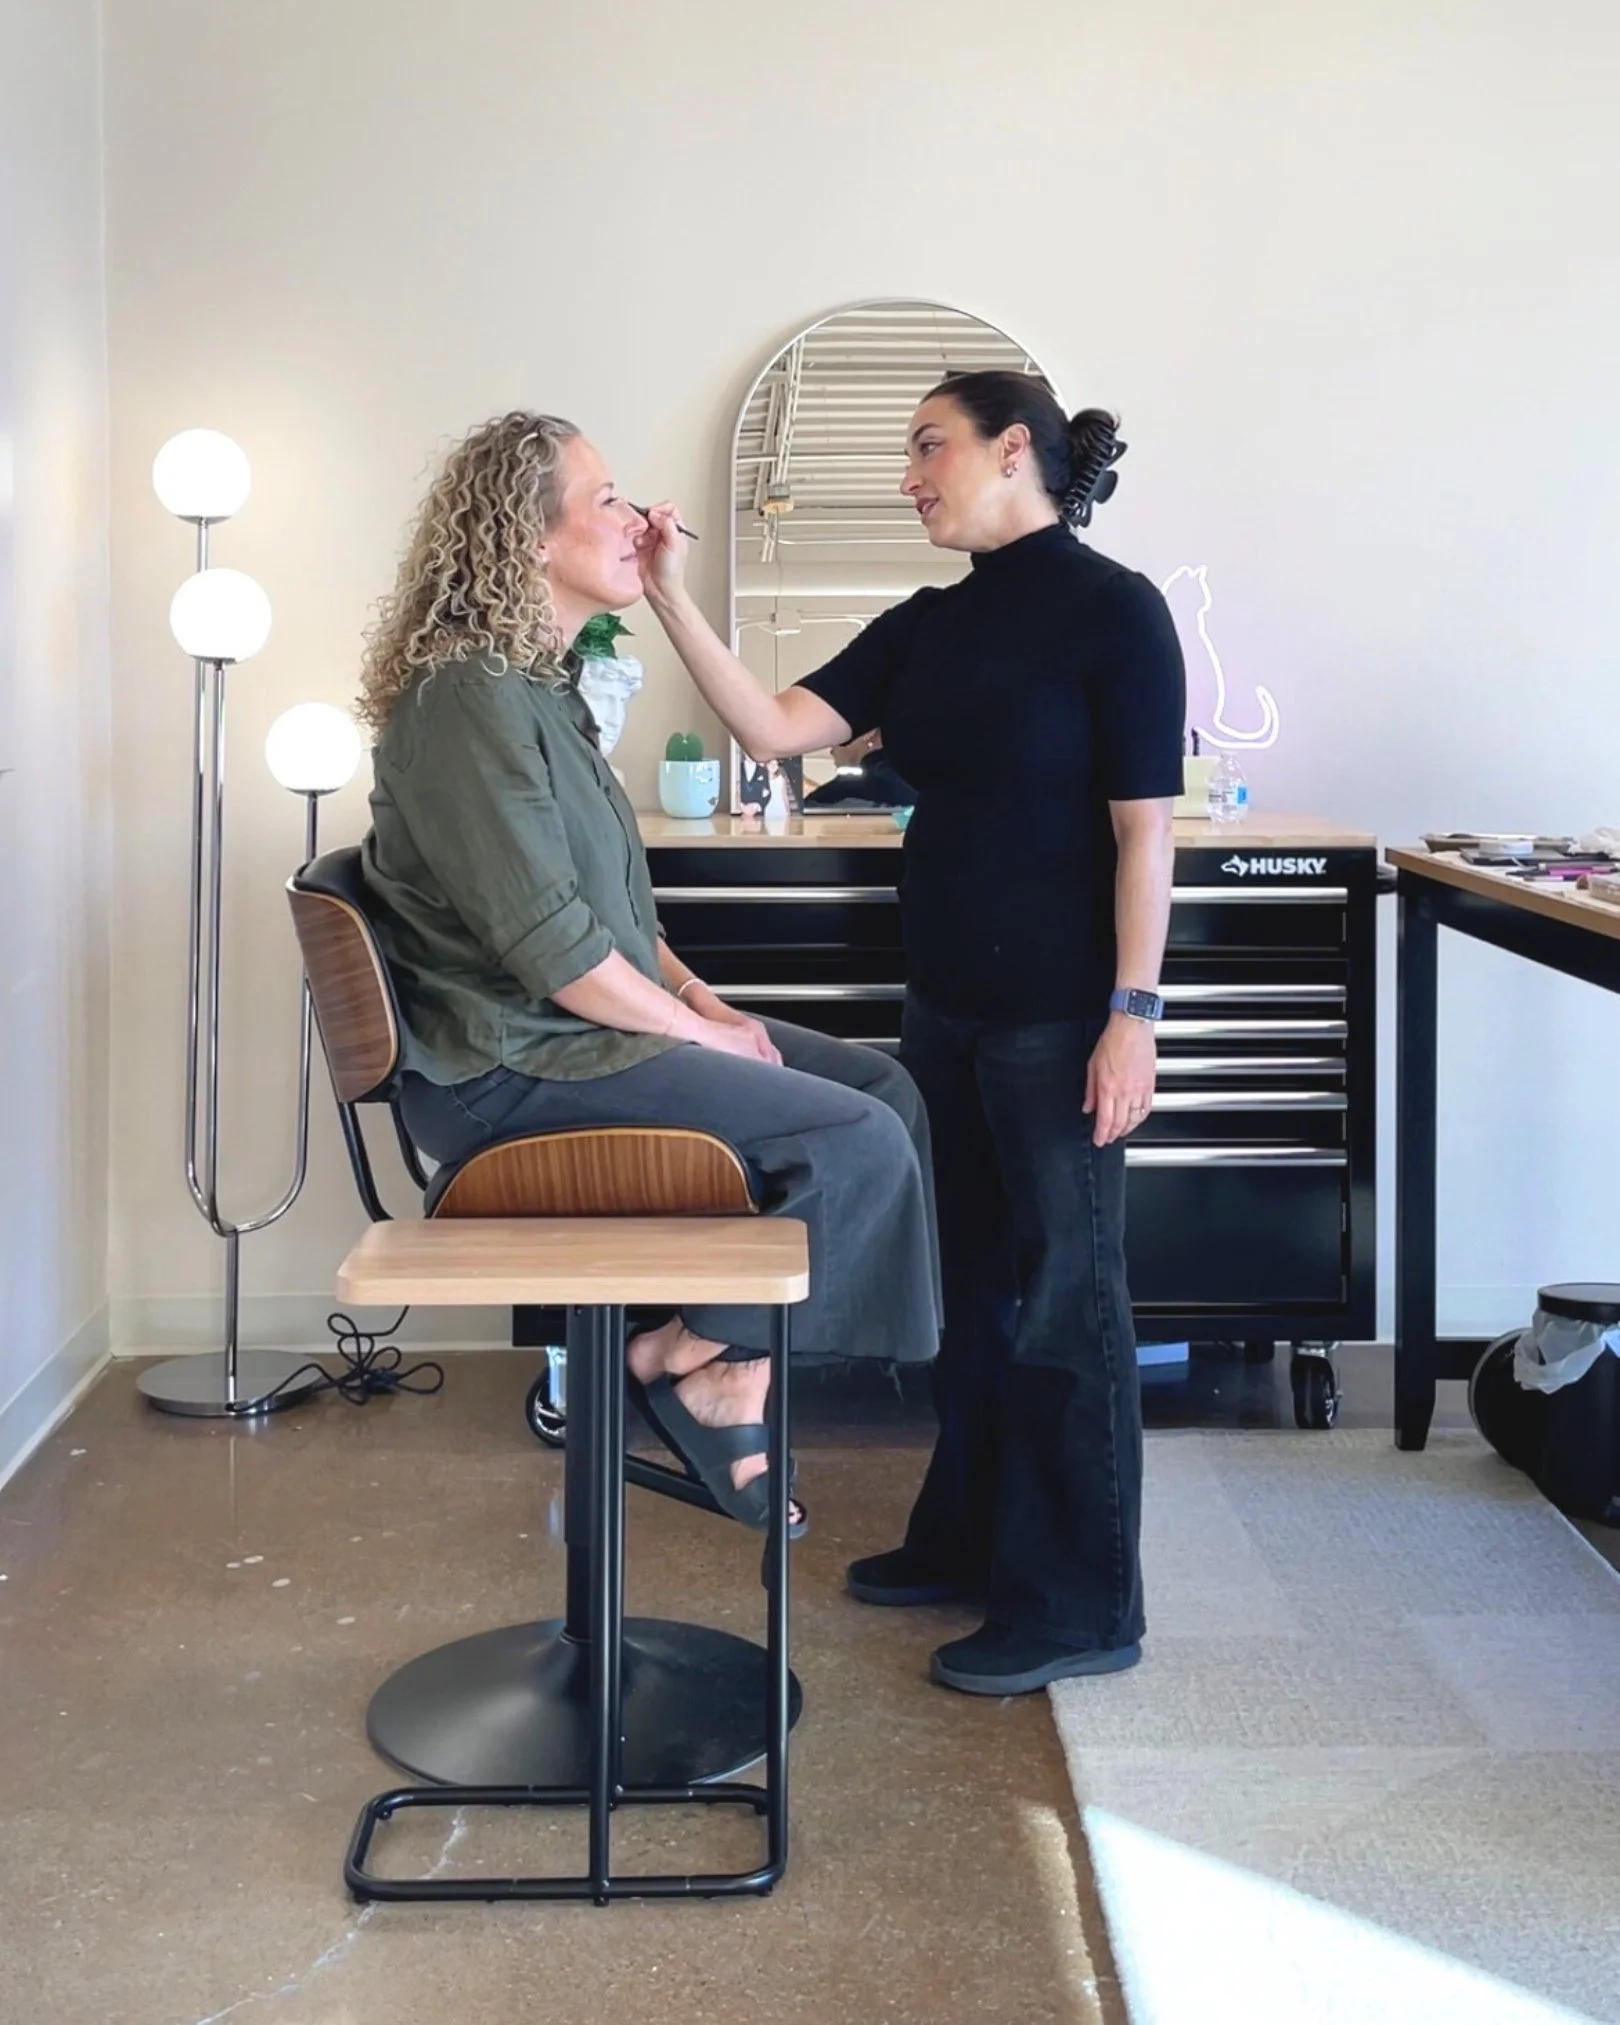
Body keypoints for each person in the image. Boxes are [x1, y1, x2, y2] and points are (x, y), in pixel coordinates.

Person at [640, 372, 1184, 1695]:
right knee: (978, 1301)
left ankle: (1081, 1602)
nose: (909, 475)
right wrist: (664, 590)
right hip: (946, 1011)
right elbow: (770, 728)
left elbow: (1142, 831)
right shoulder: (927, 626)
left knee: (1068, 1307)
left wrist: (1134, 1016)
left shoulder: (1119, 615)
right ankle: (968, 1541)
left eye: (927, 447)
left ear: (1014, 451)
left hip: (1062, 1018)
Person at [355, 411, 942, 1532]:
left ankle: (691, 1351)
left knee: (889, 1093)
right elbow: (552, 949)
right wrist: (704, 1040)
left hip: (574, 1035)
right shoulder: (467, 699)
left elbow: (605, 913)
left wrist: (696, 998)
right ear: (526, 536)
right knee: (855, 1143)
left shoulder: (539, 692)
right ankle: (708, 1368)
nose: (638, 519)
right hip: (509, 1066)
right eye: (609, 499)